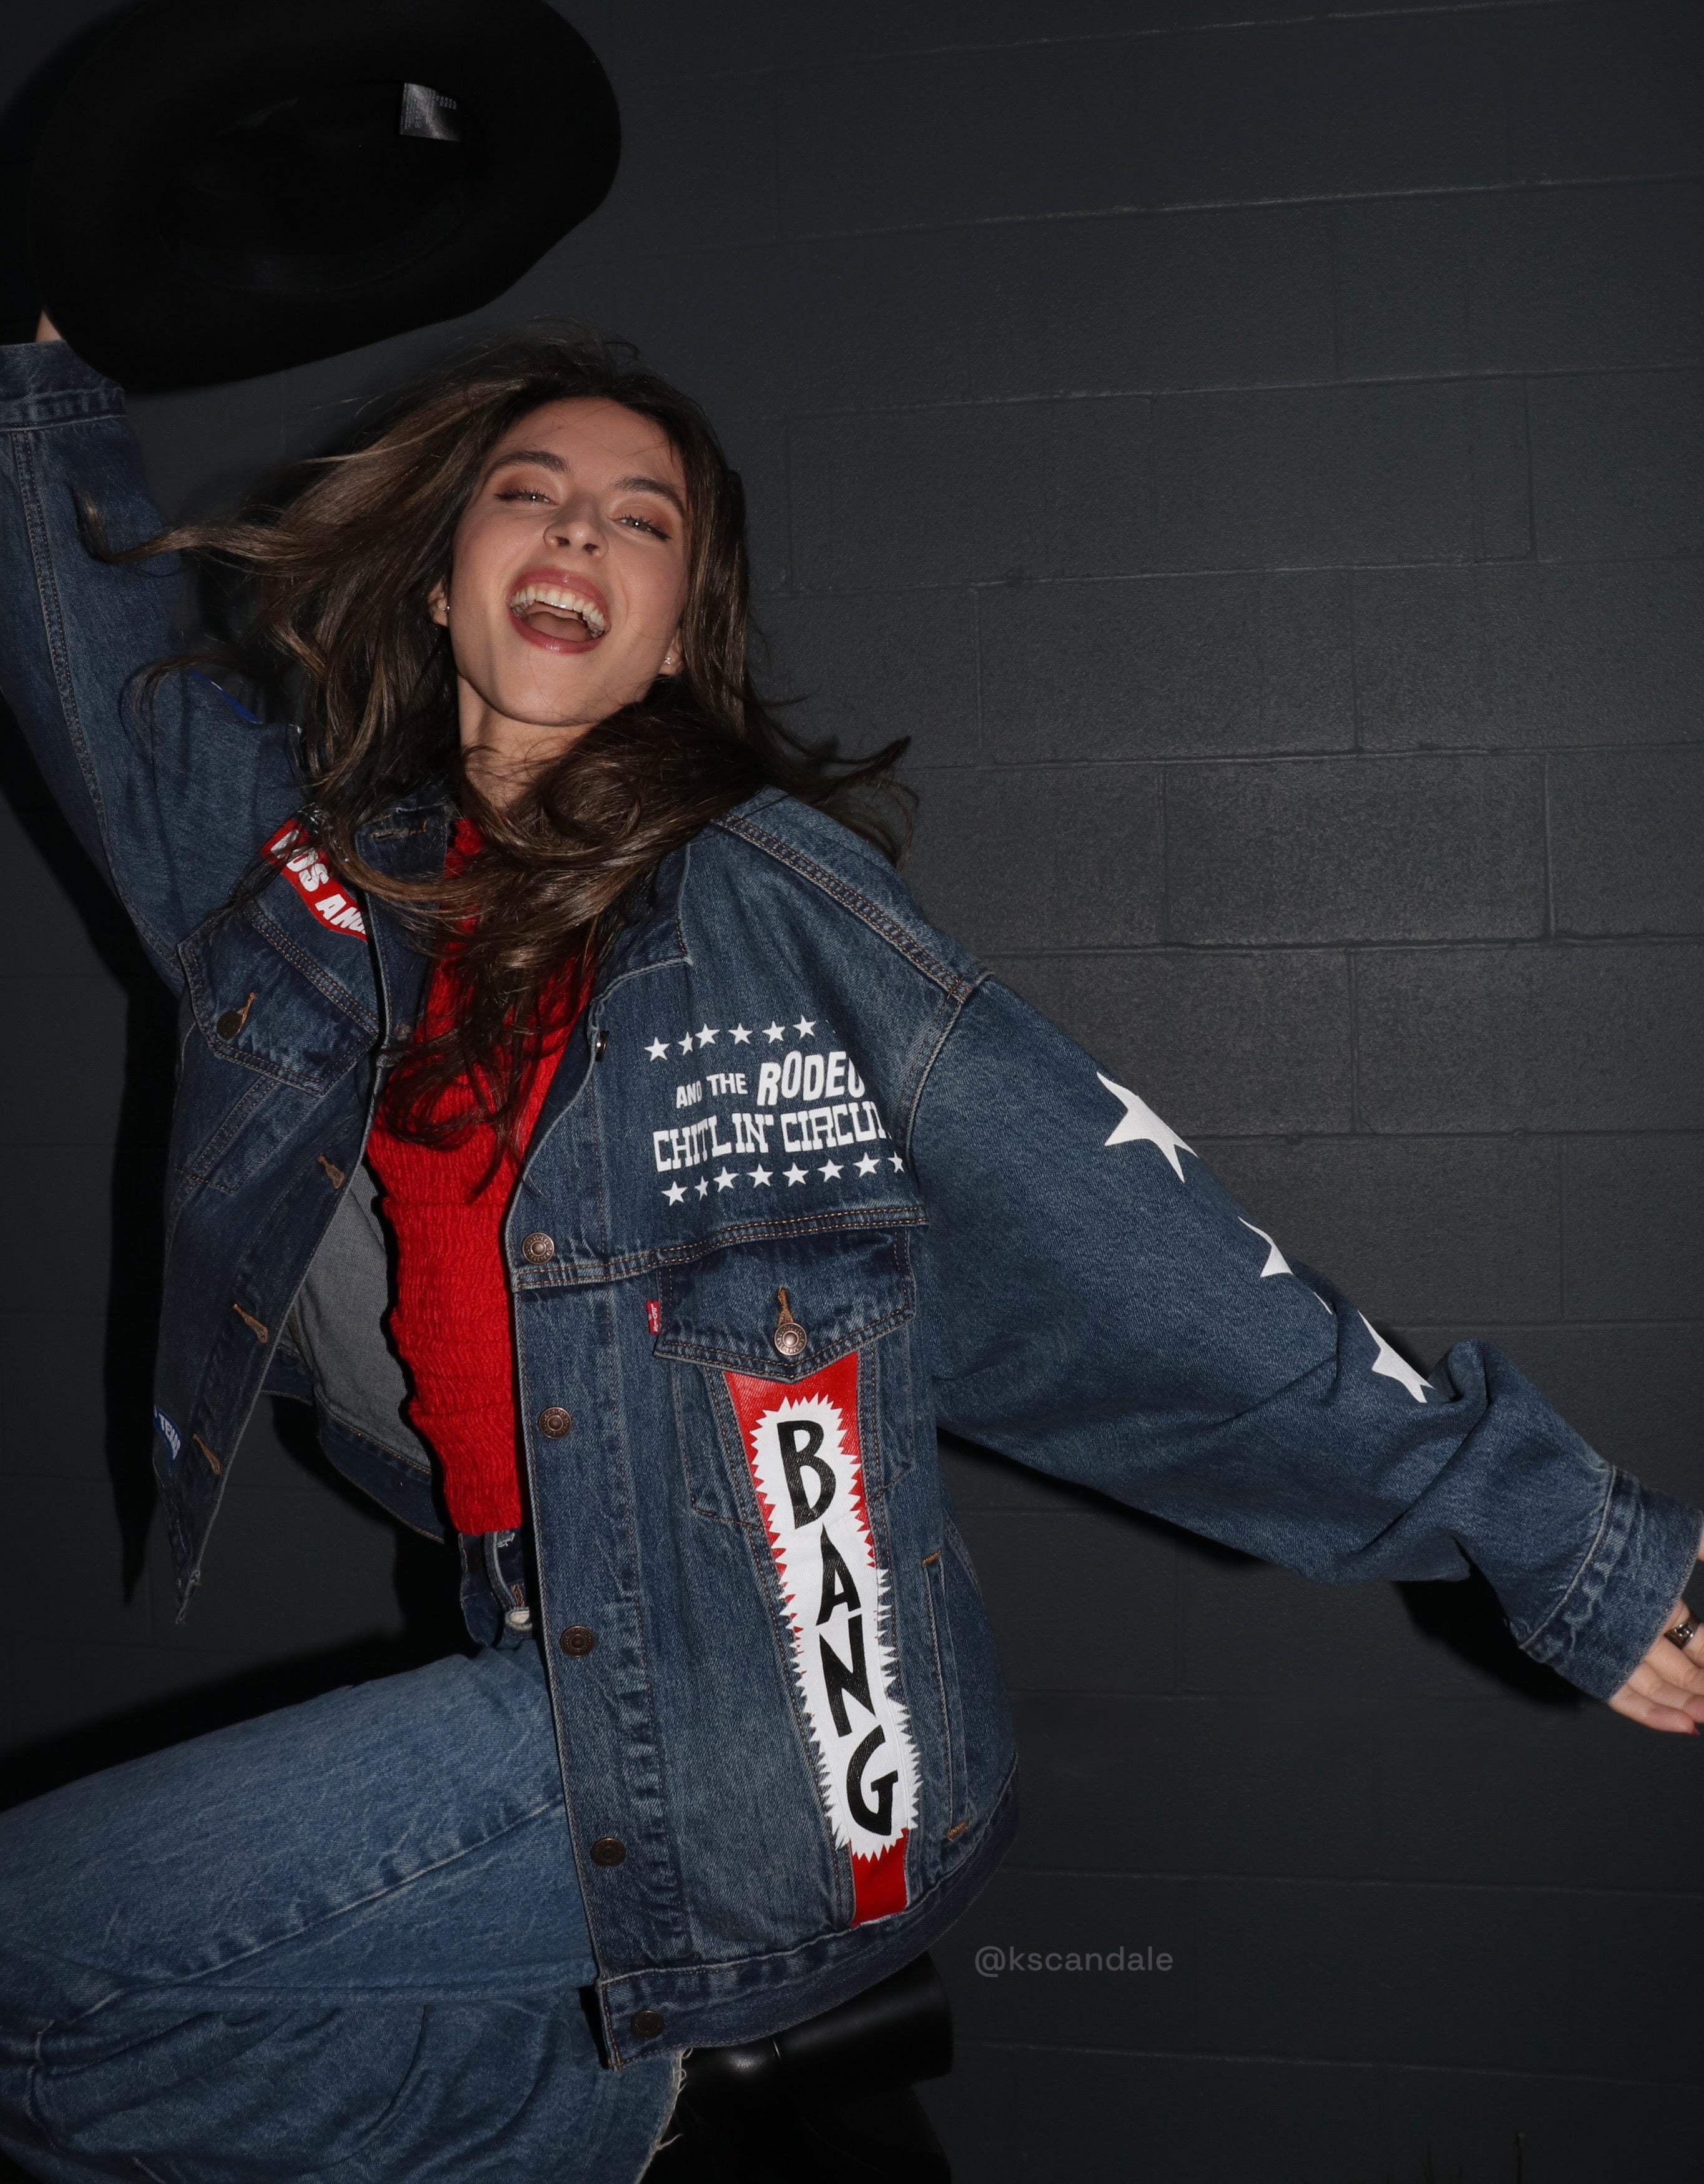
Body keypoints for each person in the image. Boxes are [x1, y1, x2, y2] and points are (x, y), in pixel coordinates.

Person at [1, 319, 1701, 2184]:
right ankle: (638, 2105)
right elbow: (117, 702)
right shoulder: (344, 890)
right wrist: (33, 373)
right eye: (528, 494)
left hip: (779, 1732)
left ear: (676, 633)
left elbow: (1129, 1244)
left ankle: (623, 2106)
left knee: (35, 1958)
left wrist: (1562, 1545)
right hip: (544, 1642)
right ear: (439, 576)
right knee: (97, 2043)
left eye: (641, 521)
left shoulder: (755, 902)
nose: (577, 534)